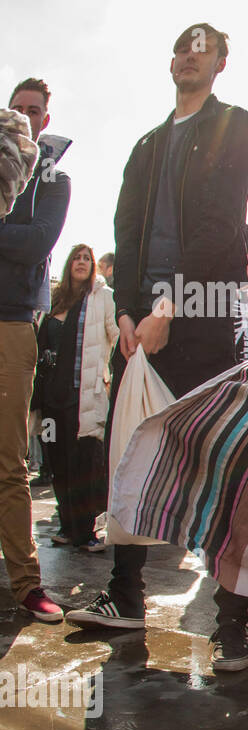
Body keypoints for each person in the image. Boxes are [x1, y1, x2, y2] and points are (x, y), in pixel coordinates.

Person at [65, 23, 248, 675]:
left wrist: (170, 306)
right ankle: (125, 596)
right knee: (132, 456)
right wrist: (126, 307)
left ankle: (233, 623)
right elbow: (125, 223)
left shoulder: (234, 125)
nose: (189, 57)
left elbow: (221, 224)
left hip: (202, 318)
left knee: (220, 462)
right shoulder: (148, 145)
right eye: (181, 47)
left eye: (201, 49)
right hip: (143, 323)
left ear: (221, 63)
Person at [0, 77, 68, 622]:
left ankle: (25, 583)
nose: (24, 115)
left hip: (11, 324)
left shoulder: (55, 180)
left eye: (34, 110)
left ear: (45, 120)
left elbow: (35, 244)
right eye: (15, 108)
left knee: (9, 464)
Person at [34, 244, 115, 551]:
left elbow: (116, 336)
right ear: (69, 265)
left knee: (85, 466)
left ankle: (88, 531)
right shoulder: (54, 300)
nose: (81, 263)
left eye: (87, 259)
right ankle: (68, 527)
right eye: (77, 258)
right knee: (58, 462)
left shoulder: (101, 297)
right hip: (51, 401)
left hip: (83, 397)